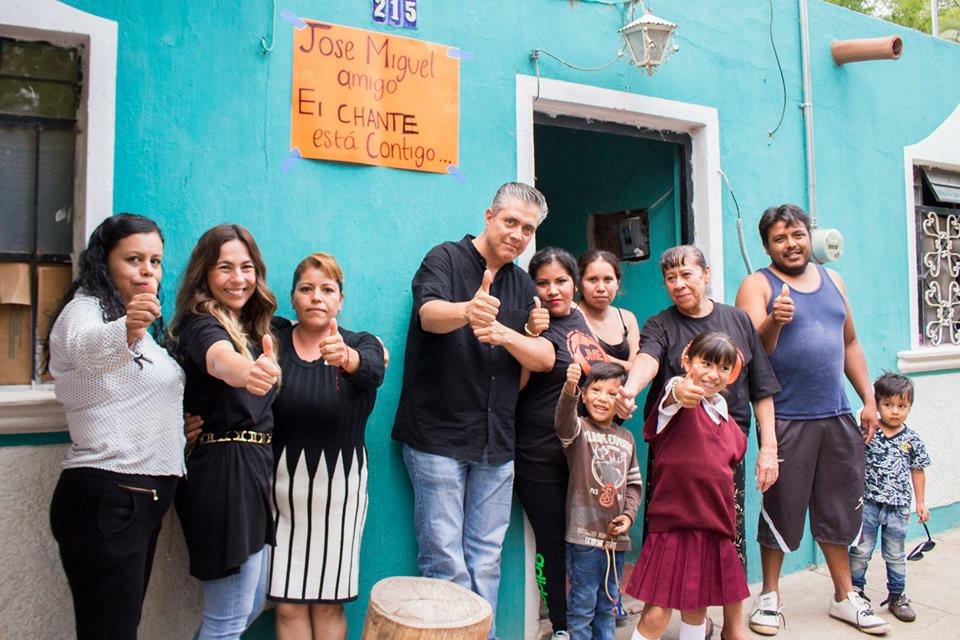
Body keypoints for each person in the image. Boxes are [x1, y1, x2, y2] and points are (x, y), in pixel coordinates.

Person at [391, 182, 555, 638]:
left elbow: (534, 365)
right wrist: (469, 310)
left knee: (486, 559)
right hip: (437, 438)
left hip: (497, 442)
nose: (518, 235)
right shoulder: (444, 257)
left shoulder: (523, 284)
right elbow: (429, 314)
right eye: (511, 222)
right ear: (489, 216)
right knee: (445, 560)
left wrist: (514, 334)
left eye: (527, 229)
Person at [734, 204, 886, 636]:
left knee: (838, 510)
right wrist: (773, 323)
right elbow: (746, 356)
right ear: (767, 246)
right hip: (786, 418)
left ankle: (844, 596)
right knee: (780, 509)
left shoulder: (833, 280)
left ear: (809, 235)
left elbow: (851, 342)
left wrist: (868, 399)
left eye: (797, 234)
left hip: (836, 416)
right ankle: (770, 596)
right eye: (780, 238)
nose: (791, 244)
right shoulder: (757, 285)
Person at [615, 245, 779, 640]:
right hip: (678, 456)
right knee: (672, 558)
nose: (678, 284)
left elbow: (761, 388)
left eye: (686, 275)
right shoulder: (662, 325)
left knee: (724, 542)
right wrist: (632, 389)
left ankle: (729, 627)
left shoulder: (737, 320)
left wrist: (769, 449)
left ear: (706, 273)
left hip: (726, 453)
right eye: (670, 278)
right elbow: (651, 363)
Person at [47, 214, 185, 640]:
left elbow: (138, 396)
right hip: (109, 499)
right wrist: (128, 327)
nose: (148, 270)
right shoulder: (85, 311)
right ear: (103, 262)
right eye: (134, 259)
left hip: (135, 501)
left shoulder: (133, 323)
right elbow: (88, 351)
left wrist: (181, 430)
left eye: (156, 261)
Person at [169, 224, 281, 639]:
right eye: (225, 268)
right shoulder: (202, 324)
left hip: (251, 474)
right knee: (228, 619)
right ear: (205, 275)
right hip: (222, 476)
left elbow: (314, 323)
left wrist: (368, 346)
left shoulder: (256, 327)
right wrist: (248, 373)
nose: (238, 278)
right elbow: (218, 360)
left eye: (247, 267)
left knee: (247, 606)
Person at [267, 253, 386, 639]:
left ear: (340, 300)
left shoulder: (360, 342)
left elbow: (374, 370)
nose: (316, 297)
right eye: (306, 289)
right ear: (293, 297)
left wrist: (347, 359)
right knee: (287, 604)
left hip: (339, 487)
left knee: (327, 601)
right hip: (280, 488)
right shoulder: (275, 338)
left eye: (327, 289)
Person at [626, 332, 749, 640]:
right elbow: (676, 392)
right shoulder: (677, 400)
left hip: (714, 527)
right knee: (656, 613)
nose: (712, 374)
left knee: (697, 609)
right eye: (705, 363)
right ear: (687, 362)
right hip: (673, 526)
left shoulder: (730, 424)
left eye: (723, 367)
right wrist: (681, 391)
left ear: (731, 374)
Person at [515, 247, 608, 640]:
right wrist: (528, 335)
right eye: (542, 282)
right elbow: (515, 387)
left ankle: (591, 614)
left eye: (562, 281)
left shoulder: (580, 321)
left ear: (575, 283)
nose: (553, 290)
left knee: (588, 540)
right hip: (538, 453)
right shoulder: (529, 325)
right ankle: (562, 626)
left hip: (580, 457)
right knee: (551, 544)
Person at [556, 361, 642, 640]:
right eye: (596, 390)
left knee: (609, 605)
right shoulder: (579, 430)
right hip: (583, 539)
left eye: (612, 393)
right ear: (584, 394)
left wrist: (628, 516)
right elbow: (563, 423)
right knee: (582, 607)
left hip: (615, 542)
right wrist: (569, 388)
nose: (603, 399)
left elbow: (633, 485)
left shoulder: (627, 437)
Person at [848, 372, 931, 623]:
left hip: (898, 508)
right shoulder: (868, 433)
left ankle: (897, 596)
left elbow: (918, 470)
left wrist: (920, 502)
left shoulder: (912, 439)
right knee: (860, 550)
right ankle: (856, 592)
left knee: (895, 553)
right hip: (869, 504)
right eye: (888, 404)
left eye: (901, 406)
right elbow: (851, 460)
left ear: (909, 407)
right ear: (877, 404)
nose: (895, 411)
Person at [577, 250, 640, 369]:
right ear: (579, 283)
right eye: (592, 280)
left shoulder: (627, 318)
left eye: (608, 280)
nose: (601, 288)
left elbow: (637, 370)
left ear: (617, 283)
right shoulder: (572, 315)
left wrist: (603, 358)